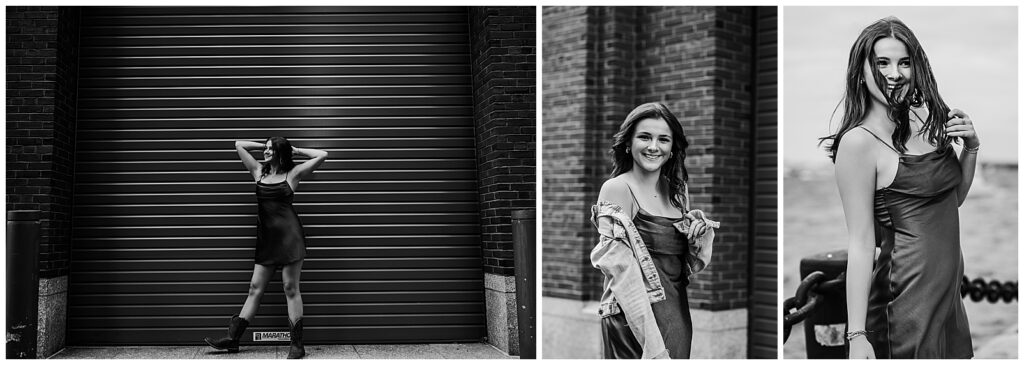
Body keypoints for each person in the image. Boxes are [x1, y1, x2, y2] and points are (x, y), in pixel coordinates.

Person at [821, 17, 978, 359]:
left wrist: (971, 149)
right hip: (904, 306)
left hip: (949, 302)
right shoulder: (858, 144)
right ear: (860, 71)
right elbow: (862, 244)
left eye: (904, 62)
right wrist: (857, 335)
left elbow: (953, 201)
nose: (895, 73)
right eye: (882, 62)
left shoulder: (925, 120)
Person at [590, 102, 719, 359]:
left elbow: (686, 268)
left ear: (672, 148)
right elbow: (622, 274)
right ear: (629, 142)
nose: (653, 146)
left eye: (663, 139)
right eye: (645, 137)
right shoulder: (617, 189)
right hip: (633, 320)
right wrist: (654, 347)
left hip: (676, 314)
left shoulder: (678, 192)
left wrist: (697, 238)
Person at [204, 137, 328, 359]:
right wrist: (264, 145)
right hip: (267, 240)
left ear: (281, 152)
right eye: (266, 148)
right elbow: (238, 145)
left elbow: (322, 155)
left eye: (272, 149)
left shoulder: (293, 174)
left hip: (290, 238)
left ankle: (297, 345)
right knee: (254, 288)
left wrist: (294, 150)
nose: (267, 152)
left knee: (290, 288)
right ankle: (233, 340)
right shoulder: (258, 171)